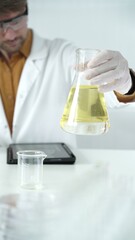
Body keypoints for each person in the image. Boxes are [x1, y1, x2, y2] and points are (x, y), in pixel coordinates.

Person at [0, 0, 134, 146]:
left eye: (16, 21)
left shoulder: (62, 53)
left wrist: (126, 84)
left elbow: (103, 89)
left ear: (26, 10)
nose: (9, 35)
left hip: (55, 167)